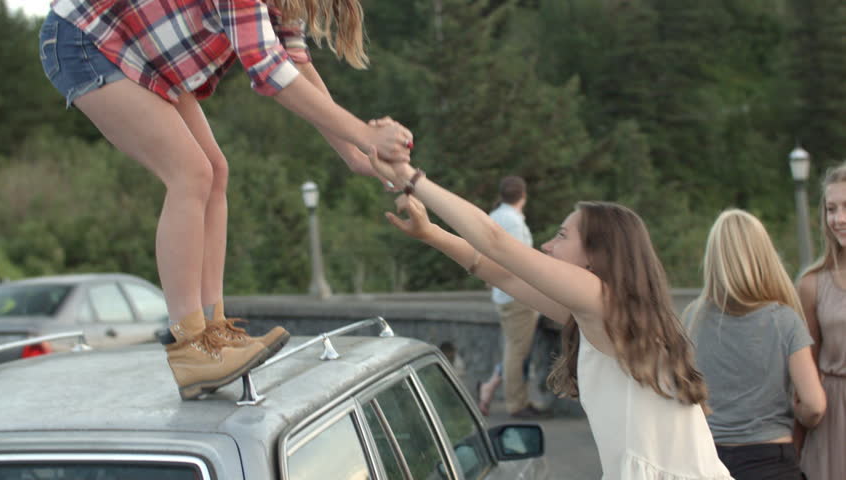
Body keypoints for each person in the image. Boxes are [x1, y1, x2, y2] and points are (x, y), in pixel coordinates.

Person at [38, 0, 413, 400]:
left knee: (215, 171)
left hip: (142, 50)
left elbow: (297, 65)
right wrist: (365, 133)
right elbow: (269, 71)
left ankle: (213, 333)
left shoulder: (286, 5)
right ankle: (189, 347)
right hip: (85, 40)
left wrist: (356, 154)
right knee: (189, 173)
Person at [370, 153, 731, 479]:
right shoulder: (605, 314)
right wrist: (431, 233)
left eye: (561, 236)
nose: (547, 246)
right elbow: (497, 270)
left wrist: (411, 177)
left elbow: (494, 242)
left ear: (595, 256)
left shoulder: (602, 301)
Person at [683, 209, 826, 480]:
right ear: (763, 256)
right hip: (771, 462)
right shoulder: (784, 320)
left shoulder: (693, 317)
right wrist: (799, 412)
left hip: (708, 460)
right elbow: (815, 404)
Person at [476, 175, 541, 418]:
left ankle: (490, 388)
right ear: (523, 196)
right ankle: (517, 404)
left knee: (513, 347)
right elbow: (519, 261)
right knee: (517, 351)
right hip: (517, 295)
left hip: (502, 293)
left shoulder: (495, 217)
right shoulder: (513, 222)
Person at [797, 161, 846, 480]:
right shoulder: (812, 284)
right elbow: (804, 374)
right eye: (831, 209)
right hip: (833, 422)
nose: (839, 219)